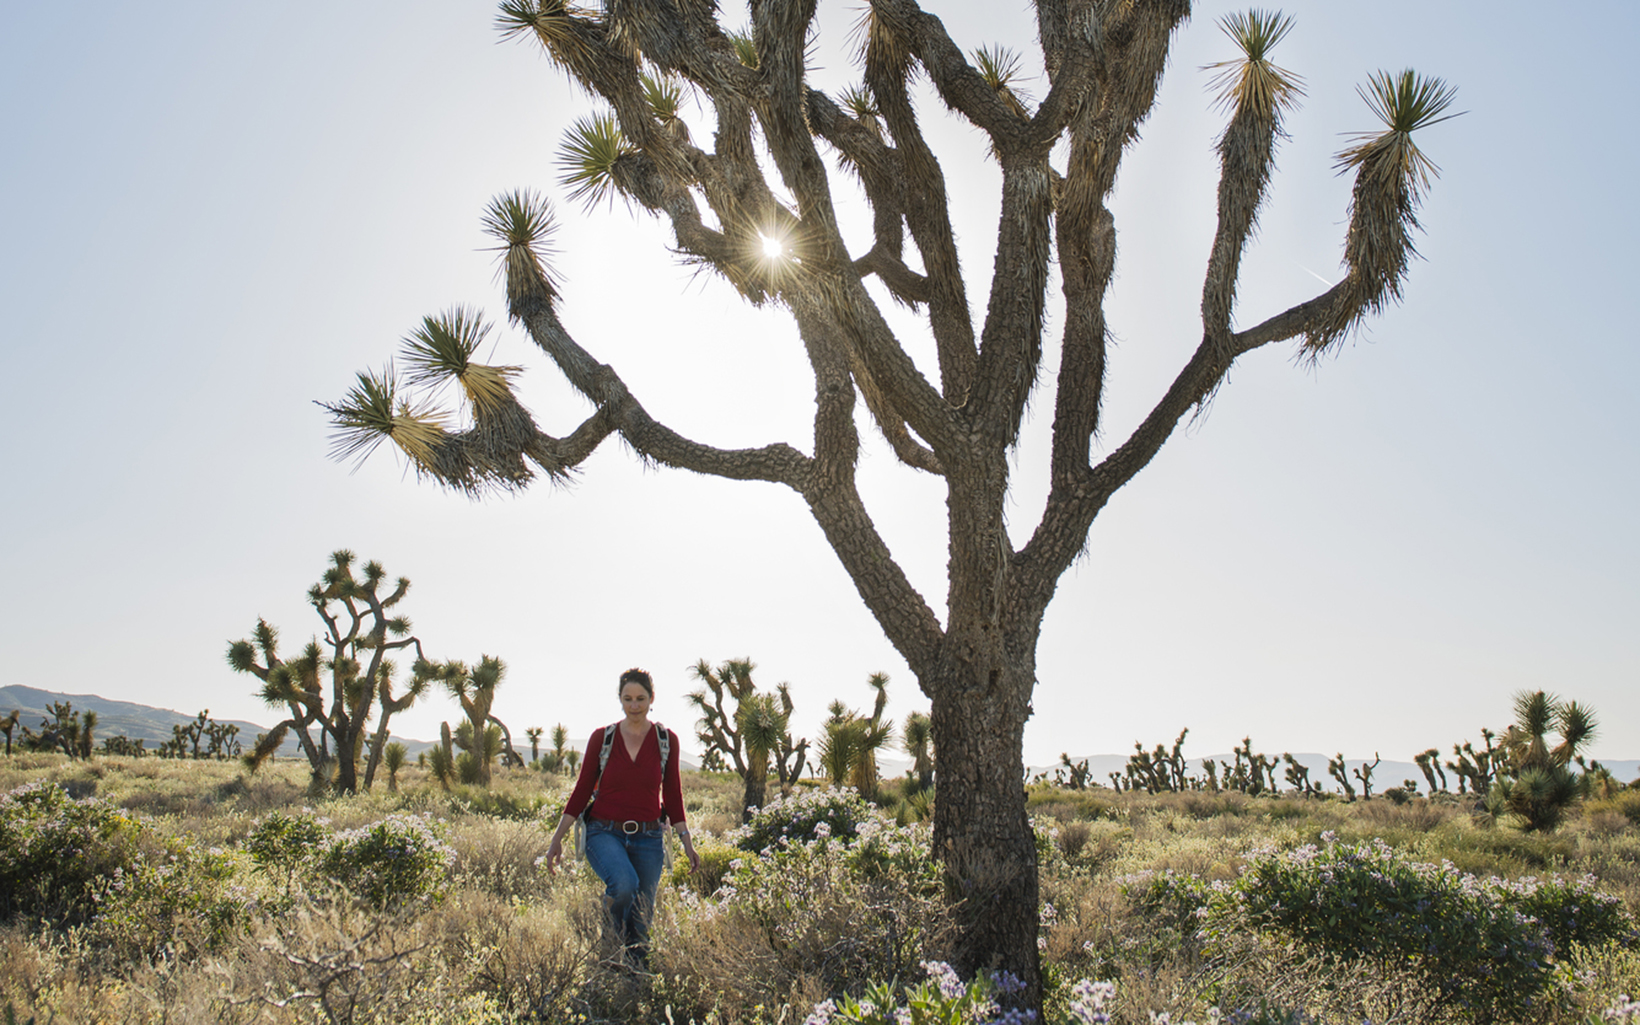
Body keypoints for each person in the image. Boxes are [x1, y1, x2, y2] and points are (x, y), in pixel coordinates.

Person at [545, 667, 700, 968]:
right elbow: (580, 792)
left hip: (649, 836)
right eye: (627, 698)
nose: (634, 705)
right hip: (605, 832)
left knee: (642, 916)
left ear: (652, 698)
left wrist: (687, 842)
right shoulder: (602, 738)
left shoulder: (666, 741)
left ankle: (634, 981)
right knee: (624, 884)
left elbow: (673, 796)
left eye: (641, 698)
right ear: (619, 699)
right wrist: (556, 839)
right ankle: (610, 957)